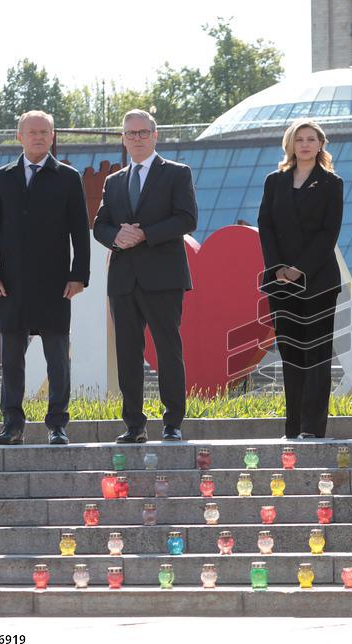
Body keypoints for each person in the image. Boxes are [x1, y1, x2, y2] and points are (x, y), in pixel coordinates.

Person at [0, 110, 90, 446]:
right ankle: (12, 425)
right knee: (12, 360)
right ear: (20, 136)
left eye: (45, 132)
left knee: (57, 358)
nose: (39, 137)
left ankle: (57, 425)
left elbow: (80, 232)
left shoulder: (68, 177)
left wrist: (79, 275)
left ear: (53, 136)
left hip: (55, 283)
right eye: (33, 132)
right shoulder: (2, 178)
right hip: (11, 284)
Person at [93, 110, 197, 443]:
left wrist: (145, 234)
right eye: (130, 133)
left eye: (142, 132)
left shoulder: (177, 173)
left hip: (163, 277)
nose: (136, 138)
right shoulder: (114, 181)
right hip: (123, 280)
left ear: (155, 135)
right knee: (127, 354)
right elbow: (100, 225)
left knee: (168, 350)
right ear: (123, 139)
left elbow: (187, 219)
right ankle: (134, 425)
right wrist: (116, 236)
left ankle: (173, 423)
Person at [257, 120, 343, 439]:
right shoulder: (274, 181)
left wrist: (299, 269)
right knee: (291, 355)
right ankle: (293, 429)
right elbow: (265, 226)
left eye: (311, 139)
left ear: (321, 144)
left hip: (318, 281)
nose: (305, 144)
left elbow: (328, 232)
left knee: (316, 355)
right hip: (280, 283)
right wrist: (278, 268)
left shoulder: (331, 183)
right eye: (299, 139)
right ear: (290, 144)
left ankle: (312, 428)